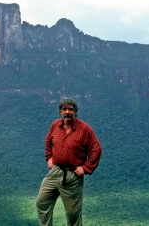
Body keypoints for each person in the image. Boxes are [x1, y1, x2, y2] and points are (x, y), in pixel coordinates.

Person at [36, 97, 102, 226]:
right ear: (60, 112)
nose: (67, 112)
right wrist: (49, 157)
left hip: (73, 176)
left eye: (70, 109)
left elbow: (96, 150)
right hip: (55, 172)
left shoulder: (85, 129)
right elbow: (48, 140)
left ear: (75, 112)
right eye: (64, 109)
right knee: (42, 202)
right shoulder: (55, 125)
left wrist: (85, 168)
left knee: (73, 215)